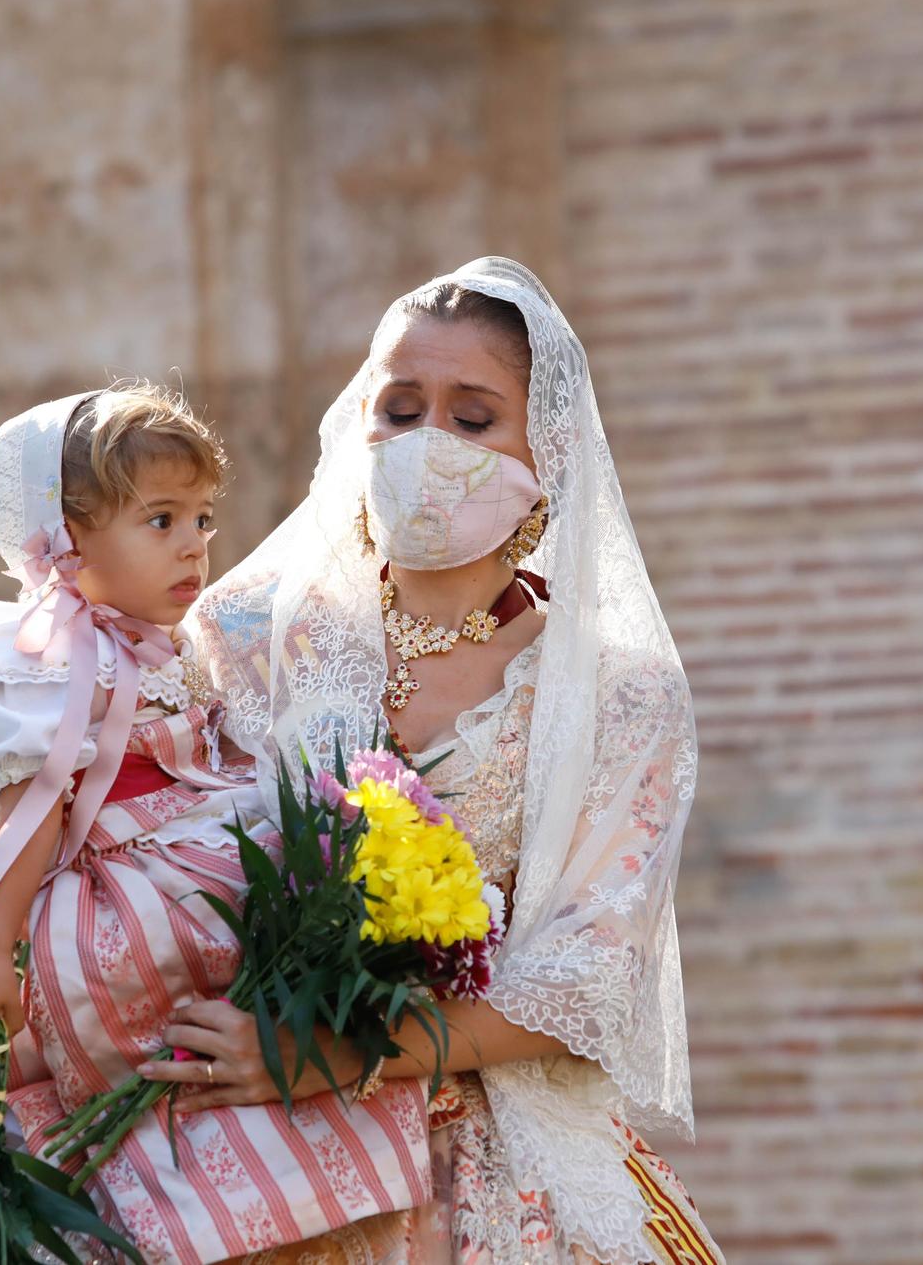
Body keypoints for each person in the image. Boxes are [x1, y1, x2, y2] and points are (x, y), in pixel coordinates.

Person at [181, 258, 724, 1262]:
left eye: (472, 419)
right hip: (241, 1153)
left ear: (546, 451)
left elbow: (586, 983)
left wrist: (334, 1057)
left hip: (491, 1164)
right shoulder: (247, 640)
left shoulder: (615, 693)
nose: (426, 442)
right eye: (397, 409)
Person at [0, 384, 432, 1263]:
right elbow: (23, 812)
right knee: (154, 1047)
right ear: (62, 541)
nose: (195, 547)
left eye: (205, 520)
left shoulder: (174, 644)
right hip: (119, 887)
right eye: (162, 520)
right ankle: (172, 1207)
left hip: (195, 844)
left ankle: (279, 1186)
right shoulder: (57, 669)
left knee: (265, 989)